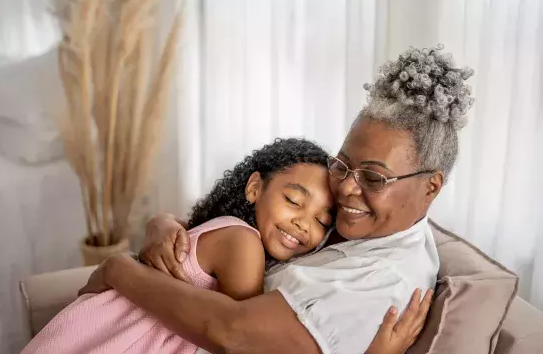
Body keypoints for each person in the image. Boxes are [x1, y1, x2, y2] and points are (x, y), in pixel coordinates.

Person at [78, 44, 475, 353]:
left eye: (374, 176)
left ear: (431, 187)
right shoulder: (368, 228)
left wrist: (119, 270)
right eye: (342, 165)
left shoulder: (380, 284)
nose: (347, 189)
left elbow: (233, 334)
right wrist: (165, 224)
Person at [21, 139, 417, 354]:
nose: (302, 222)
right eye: (294, 201)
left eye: (321, 221)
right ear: (255, 188)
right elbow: (240, 342)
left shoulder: (230, 234)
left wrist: (161, 222)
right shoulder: (243, 244)